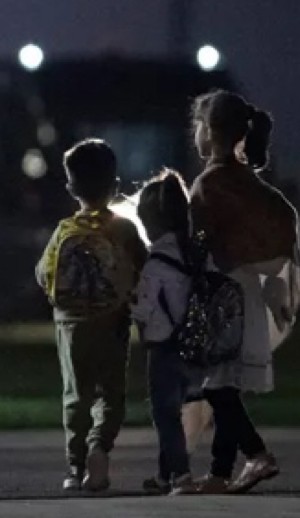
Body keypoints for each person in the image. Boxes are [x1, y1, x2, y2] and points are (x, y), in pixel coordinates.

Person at [189, 90, 300, 494]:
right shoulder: (255, 187)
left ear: (209, 131)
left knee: (216, 387)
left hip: (222, 296)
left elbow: (201, 243)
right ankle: (220, 474)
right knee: (227, 385)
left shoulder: (209, 185)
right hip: (249, 294)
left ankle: (257, 454)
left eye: (197, 126)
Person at [35, 139, 147, 492]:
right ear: (115, 185)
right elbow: (144, 269)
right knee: (110, 393)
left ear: (71, 188)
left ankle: (75, 466)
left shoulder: (64, 230)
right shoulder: (124, 229)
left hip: (71, 325)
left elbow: (43, 274)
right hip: (113, 322)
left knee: (76, 395)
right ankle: (100, 446)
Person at [131, 169, 203, 495]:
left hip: (163, 346)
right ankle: (164, 474)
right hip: (192, 344)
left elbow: (145, 309)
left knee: (165, 415)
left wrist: (128, 301)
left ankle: (181, 474)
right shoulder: (193, 254)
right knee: (176, 410)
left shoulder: (156, 263)